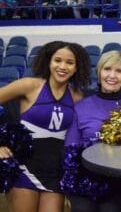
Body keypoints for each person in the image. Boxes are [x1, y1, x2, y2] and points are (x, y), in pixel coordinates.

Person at [0, 41, 91, 212]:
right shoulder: (29, 85)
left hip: (56, 173)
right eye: (57, 60)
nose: (62, 66)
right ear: (49, 62)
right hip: (23, 168)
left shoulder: (78, 97)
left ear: (77, 68)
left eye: (69, 63)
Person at [65, 51, 121, 212]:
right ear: (99, 73)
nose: (112, 75)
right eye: (107, 69)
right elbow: (70, 148)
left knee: (110, 209)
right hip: (86, 176)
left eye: (119, 71)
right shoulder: (81, 106)